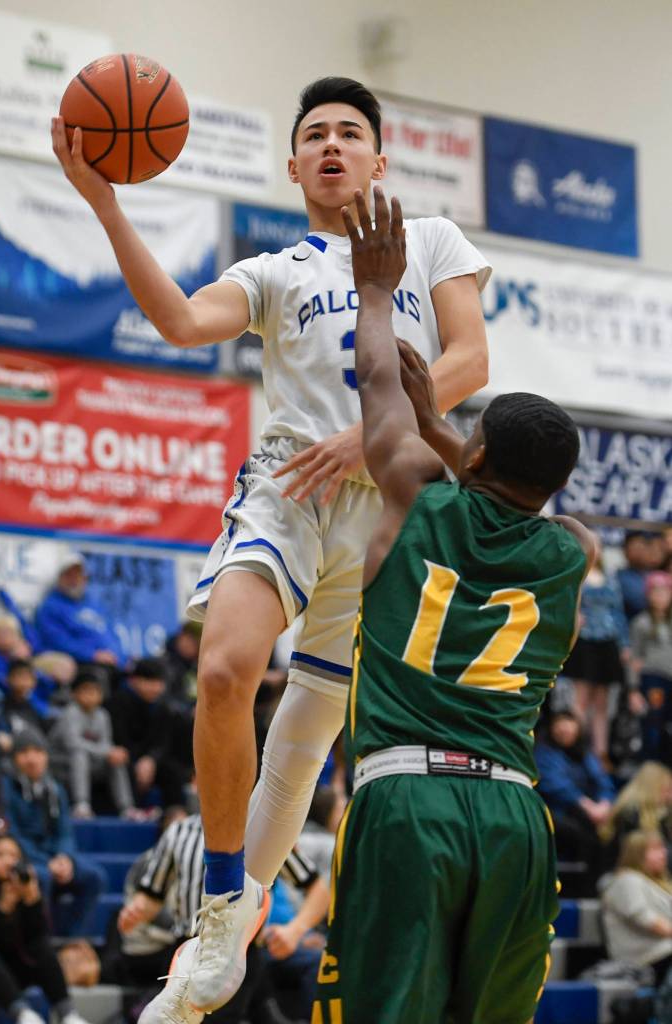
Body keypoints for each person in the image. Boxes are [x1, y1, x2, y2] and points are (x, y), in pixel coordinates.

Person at [52, 75, 491, 1012]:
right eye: (315, 136)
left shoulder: (430, 243)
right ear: (292, 165)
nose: (332, 145)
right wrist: (104, 201)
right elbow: (176, 323)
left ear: (380, 159)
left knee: (305, 742)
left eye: (349, 133)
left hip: (388, 504)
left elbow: (469, 360)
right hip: (291, 484)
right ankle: (219, 899)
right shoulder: (274, 268)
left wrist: (377, 432)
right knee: (223, 673)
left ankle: (235, 930)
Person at [308, 188, 594, 1024]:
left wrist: (371, 292)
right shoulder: (573, 553)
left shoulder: (416, 499)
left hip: (407, 802)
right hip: (513, 812)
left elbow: (374, 384)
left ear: (472, 454)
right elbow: (520, 496)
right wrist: (447, 430)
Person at [118, 812, 325, 1024]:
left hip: (240, 949)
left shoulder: (262, 829)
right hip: (184, 950)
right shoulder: (177, 832)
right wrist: (136, 910)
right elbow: (152, 895)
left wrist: (295, 930)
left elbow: (318, 888)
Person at [0, 730, 107, 937]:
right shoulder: (6, 789)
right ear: (14, 758)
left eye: (37, 751)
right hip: (26, 857)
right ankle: (43, 940)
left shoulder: (55, 789)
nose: (31, 758)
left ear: (46, 756)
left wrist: (63, 857)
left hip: (53, 856)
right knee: (43, 876)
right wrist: (46, 862)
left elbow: (65, 832)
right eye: (24, 752)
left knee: (95, 876)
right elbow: (13, 834)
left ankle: (74, 940)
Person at [0, 833, 91, 1024]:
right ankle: (23, 1015)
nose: (7, 861)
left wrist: (31, 902)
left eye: (13, 855)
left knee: (42, 947)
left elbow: (38, 935)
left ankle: (68, 1014)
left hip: (18, 968)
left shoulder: (26, 885)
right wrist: (2, 908)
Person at [561, 532, 629, 761]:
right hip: (585, 639)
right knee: (580, 697)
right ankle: (580, 745)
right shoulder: (577, 573)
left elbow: (618, 612)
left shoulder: (610, 577)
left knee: (602, 700)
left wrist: (624, 643)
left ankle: (600, 751)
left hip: (607, 639)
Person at [535, 710, 614, 889]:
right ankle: (582, 887)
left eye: (569, 727)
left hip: (591, 813)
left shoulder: (586, 753)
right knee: (579, 833)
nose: (565, 731)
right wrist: (588, 807)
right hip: (556, 811)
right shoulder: (543, 752)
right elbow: (557, 787)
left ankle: (602, 883)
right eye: (560, 727)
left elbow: (602, 781)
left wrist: (604, 803)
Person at [48, 669, 134, 818]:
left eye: (95, 691)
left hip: (89, 764)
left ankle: (127, 808)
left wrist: (112, 752)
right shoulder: (70, 712)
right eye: (85, 691)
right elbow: (72, 743)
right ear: (74, 694)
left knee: (115, 759)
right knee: (80, 754)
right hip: (60, 764)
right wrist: (107, 751)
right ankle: (81, 804)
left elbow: (106, 744)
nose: (90, 695)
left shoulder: (103, 715)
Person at [107, 658, 187, 808]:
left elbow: (163, 742)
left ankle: (175, 813)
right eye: (149, 682)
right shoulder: (118, 702)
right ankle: (130, 811)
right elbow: (119, 738)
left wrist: (151, 759)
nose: (155, 688)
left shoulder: (163, 707)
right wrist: (137, 760)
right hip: (125, 757)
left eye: (159, 683)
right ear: (134, 681)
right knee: (122, 764)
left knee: (172, 771)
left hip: (150, 761)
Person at [602, 830, 672, 987]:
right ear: (637, 854)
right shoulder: (627, 880)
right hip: (645, 958)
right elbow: (644, 917)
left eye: (662, 848)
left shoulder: (658, 883)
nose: (663, 853)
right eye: (655, 850)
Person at [34, 552, 124, 670]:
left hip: (110, 661)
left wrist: (121, 658)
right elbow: (59, 642)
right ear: (59, 578)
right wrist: (92, 655)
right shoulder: (50, 607)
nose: (74, 580)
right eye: (69, 575)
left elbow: (112, 635)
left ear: (85, 578)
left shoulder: (95, 605)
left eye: (78, 575)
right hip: (83, 663)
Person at [629, 571, 672, 761]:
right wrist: (633, 689)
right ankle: (650, 763)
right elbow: (634, 657)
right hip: (653, 679)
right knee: (653, 723)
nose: (660, 597)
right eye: (656, 592)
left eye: (665, 592)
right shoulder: (641, 622)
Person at [601, 762, 672, 870]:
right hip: (626, 872)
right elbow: (635, 856)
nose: (669, 796)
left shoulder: (659, 814)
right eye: (667, 790)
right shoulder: (630, 814)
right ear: (652, 789)